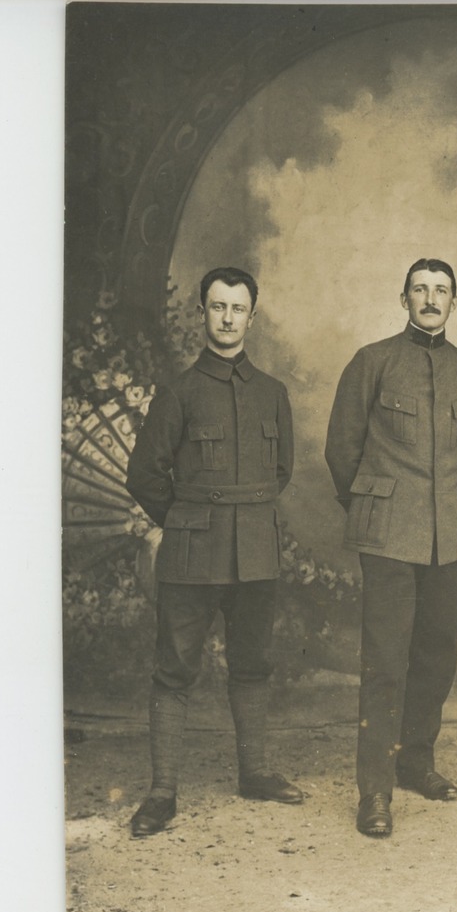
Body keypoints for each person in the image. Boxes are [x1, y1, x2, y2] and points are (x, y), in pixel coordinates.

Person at [125, 266, 303, 837]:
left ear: (253, 316)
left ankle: (255, 773)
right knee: (174, 670)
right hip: (191, 555)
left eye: (237, 309)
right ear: (202, 312)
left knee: (252, 665)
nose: (227, 318)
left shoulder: (273, 394)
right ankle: (162, 793)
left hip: (255, 552)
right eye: (217, 307)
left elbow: (281, 471)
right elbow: (145, 475)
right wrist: (182, 524)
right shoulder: (178, 392)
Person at [325, 258, 457, 836]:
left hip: (450, 536)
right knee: (386, 661)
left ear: (454, 302)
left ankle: (417, 762)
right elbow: (341, 450)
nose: (431, 299)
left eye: (442, 290)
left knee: (436, 655)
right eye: (421, 289)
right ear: (404, 298)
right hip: (388, 534)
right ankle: (375, 790)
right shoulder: (373, 361)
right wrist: (374, 507)